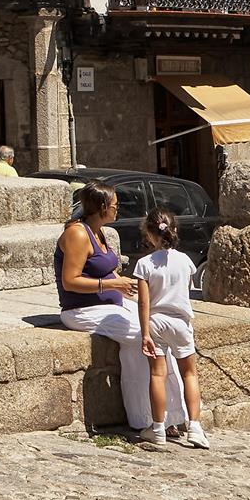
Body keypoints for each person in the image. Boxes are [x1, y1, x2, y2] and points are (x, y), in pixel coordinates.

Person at [55, 181, 186, 434]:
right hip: (82, 310)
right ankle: (151, 417)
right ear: (102, 207)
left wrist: (128, 287)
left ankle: (169, 414)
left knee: (157, 327)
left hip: (110, 302)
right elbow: (70, 281)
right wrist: (113, 285)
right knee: (145, 337)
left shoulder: (99, 232)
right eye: (114, 205)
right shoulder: (78, 234)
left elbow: (105, 270)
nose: (118, 209)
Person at [135, 208, 209, 448]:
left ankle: (158, 428)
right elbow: (185, 290)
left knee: (158, 374)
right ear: (174, 229)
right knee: (190, 374)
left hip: (156, 321)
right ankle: (195, 427)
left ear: (149, 234)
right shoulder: (186, 261)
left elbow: (144, 303)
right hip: (181, 323)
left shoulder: (144, 264)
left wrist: (145, 333)